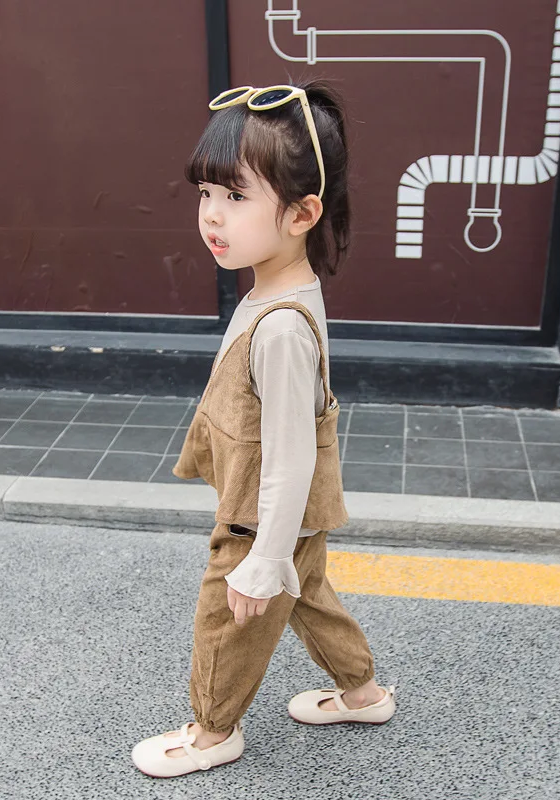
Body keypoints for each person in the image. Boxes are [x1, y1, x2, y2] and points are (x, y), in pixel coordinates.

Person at [131, 79, 396, 779]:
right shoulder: (280, 288)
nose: (211, 215)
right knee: (309, 596)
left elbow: (287, 456)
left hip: (261, 517)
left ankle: (213, 732)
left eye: (235, 195)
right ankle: (363, 694)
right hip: (291, 514)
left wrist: (263, 555)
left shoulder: (280, 327)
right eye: (205, 192)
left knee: (229, 619)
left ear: (303, 213)